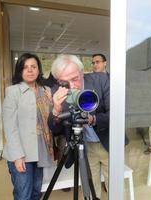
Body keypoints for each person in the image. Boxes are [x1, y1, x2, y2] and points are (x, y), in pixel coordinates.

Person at [48, 54, 112, 199]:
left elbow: (116, 113)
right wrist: (56, 109)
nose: (71, 86)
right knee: (89, 184)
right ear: (58, 81)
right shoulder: (57, 92)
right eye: (64, 82)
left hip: (106, 141)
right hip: (82, 145)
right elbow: (54, 128)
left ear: (82, 73)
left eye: (75, 79)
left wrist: (93, 119)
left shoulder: (100, 80)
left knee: (112, 183)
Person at [2, 53, 55, 200]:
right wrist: (17, 156)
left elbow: (52, 119)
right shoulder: (13, 92)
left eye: (33, 66)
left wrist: (54, 104)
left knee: (36, 192)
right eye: (25, 67)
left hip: (40, 150)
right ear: (20, 71)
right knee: (23, 195)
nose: (30, 70)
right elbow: (10, 126)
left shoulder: (46, 92)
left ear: (39, 70)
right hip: (21, 153)